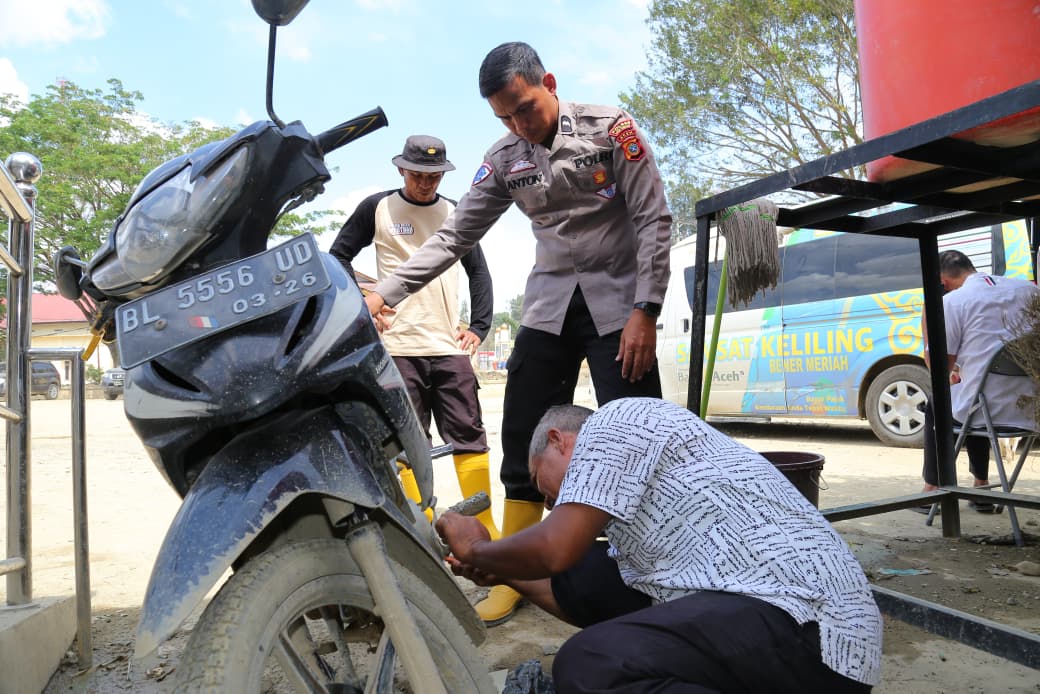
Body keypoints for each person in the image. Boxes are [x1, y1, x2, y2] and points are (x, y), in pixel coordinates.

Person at [363, 42, 672, 624]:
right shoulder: (505, 157)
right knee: (522, 434)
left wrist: (647, 311)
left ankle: (653, 567)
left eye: (524, 109)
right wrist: (385, 291)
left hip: (619, 307)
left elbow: (654, 217)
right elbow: (455, 237)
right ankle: (516, 572)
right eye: (503, 117)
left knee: (637, 438)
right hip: (549, 307)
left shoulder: (613, 130)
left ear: (548, 83)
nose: (517, 125)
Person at [437, 398, 883, 692]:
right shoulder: (640, 516)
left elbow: (556, 548)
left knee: (590, 666)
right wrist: (502, 569)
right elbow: (565, 577)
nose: (551, 503)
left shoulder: (616, 422)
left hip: (816, 631)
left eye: (542, 483)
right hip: (772, 620)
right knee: (588, 573)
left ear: (559, 440)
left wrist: (478, 548)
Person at [330, 134, 500, 538]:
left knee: (469, 434)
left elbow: (478, 271)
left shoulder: (456, 212)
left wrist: (479, 327)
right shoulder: (377, 208)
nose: (426, 182)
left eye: (435, 175)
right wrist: (366, 301)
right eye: (419, 174)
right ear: (402, 169)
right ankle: (421, 526)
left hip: (448, 346)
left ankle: (485, 526)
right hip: (398, 348)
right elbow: (337, 256)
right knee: (407, 440)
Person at [917, 250, 1040, 513]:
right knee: (973, 396)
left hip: (987, 409)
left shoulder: (954, 302)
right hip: (1033, 408)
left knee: (943, 400)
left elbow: (939, 369)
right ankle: (981, 487)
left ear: (942, 283)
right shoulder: (1029, 291)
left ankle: (931, 491)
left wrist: (928, 316)